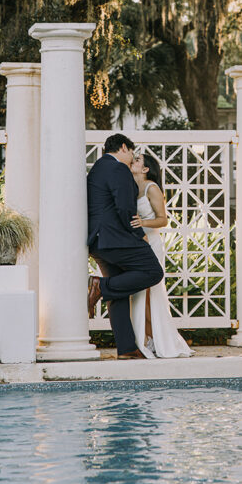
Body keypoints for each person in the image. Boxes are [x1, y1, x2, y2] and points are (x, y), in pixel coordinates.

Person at [87, 133, 163, 360]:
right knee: (152, 271)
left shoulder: (98, 168)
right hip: (117, 239)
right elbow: (124, 207)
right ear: (123, 147)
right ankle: (99, 286)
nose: (132, 158)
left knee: (117, 294)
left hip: (99, 242)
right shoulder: (118, 168)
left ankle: (127, 349)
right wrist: (140, 235)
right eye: (131, 152)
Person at [129, 151, 193, 359]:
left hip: (152, 242)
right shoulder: (130, 186)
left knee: (152, 293)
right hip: (136, 243)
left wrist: (143, 223)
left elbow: (163, 219)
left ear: (146, 169)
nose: (133, 160)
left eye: (137, 160)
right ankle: (147, 337)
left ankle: (159, 339)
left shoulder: (151, 187)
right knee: (140, 294)